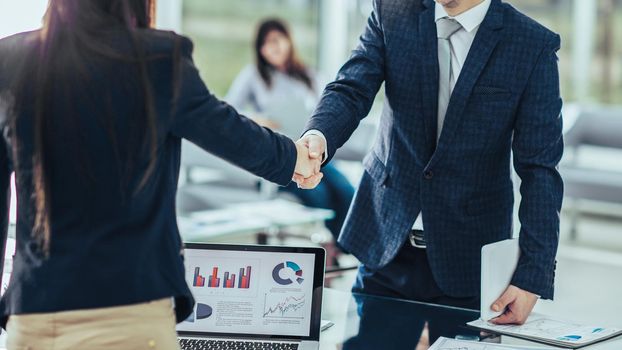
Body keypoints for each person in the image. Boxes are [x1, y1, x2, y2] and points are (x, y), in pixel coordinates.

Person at [0, 0, 320, 349]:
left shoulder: (10, 60)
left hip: (34, 317)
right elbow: (228, 131)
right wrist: (296, 160)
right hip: (132, 315)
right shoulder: (157, 59)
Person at [294, 0, 563, 325]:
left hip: (469, 258)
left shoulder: (531, 44)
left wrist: (532, 275)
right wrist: (318, 137)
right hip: (386, 244)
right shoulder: (392, 11)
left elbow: (540, 170)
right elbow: (352, 89)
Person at [226, 19, 355, 250]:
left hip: (313, 152)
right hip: (281, 154)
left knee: (346, 191)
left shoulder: (308, 76)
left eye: (276, 40)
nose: (271, 48)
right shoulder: (254, 76)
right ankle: (331, 248)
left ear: (288, 41)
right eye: (264, 44)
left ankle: (340, 248)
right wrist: (258, 119)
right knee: (318, 196)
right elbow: (230, 110)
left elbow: (329, 110)